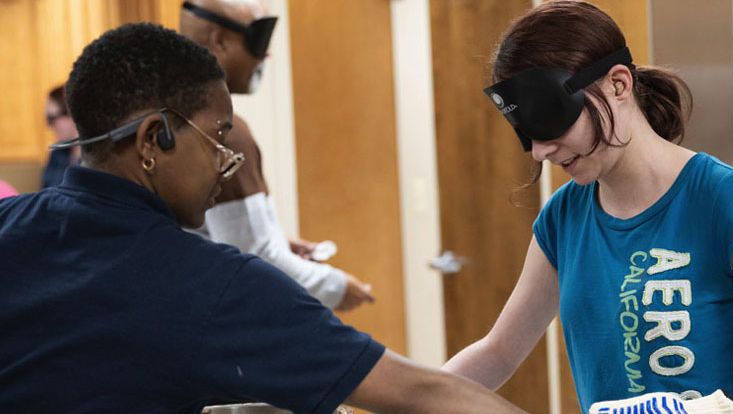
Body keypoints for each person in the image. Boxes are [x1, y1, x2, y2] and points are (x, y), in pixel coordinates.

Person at [0, 22, 526, 414]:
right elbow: (420, 392)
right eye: (218, 137)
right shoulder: (209, 285)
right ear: (152, 141)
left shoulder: (9, 225)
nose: (224, 164)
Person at [443, 1, 733, 412]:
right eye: (527, 133)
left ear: (618, 85)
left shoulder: (723, 201)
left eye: (552, 121)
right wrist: (406, 399)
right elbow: (499, 352)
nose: (542, 151)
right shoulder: (563, 217)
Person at [179, 0, 374, 312]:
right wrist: (337, 288)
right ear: (219, 41)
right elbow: (254, 257)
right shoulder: (222, 131)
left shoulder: (173, 114)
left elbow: (208, 233)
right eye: (258, 38)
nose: (267, 53)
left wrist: (275, 238)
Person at [42, 85, 80, 188]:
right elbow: (46, 192)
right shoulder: (57, 154)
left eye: (51, 118)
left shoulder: (99, 157)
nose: (49, 125)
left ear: (71, 114)